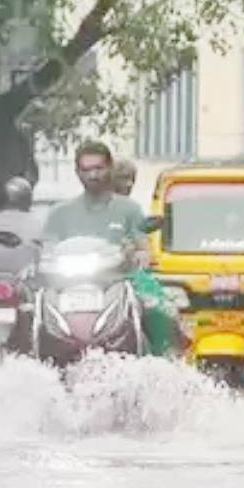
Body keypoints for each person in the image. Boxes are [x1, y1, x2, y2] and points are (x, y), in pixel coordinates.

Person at [42, 141, 182, 356]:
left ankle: (165, 364)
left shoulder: (129, 209)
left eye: (98, 168)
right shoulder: (59, 213)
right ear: (77, 172)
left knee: (160, 309)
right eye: (86, 170)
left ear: (109, 168)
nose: (93, 175)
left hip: (120, 279)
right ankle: (26, 364)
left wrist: (139, 254)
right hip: (68, 284)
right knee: (28, 308)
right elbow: (47, 248)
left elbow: (142, 245)